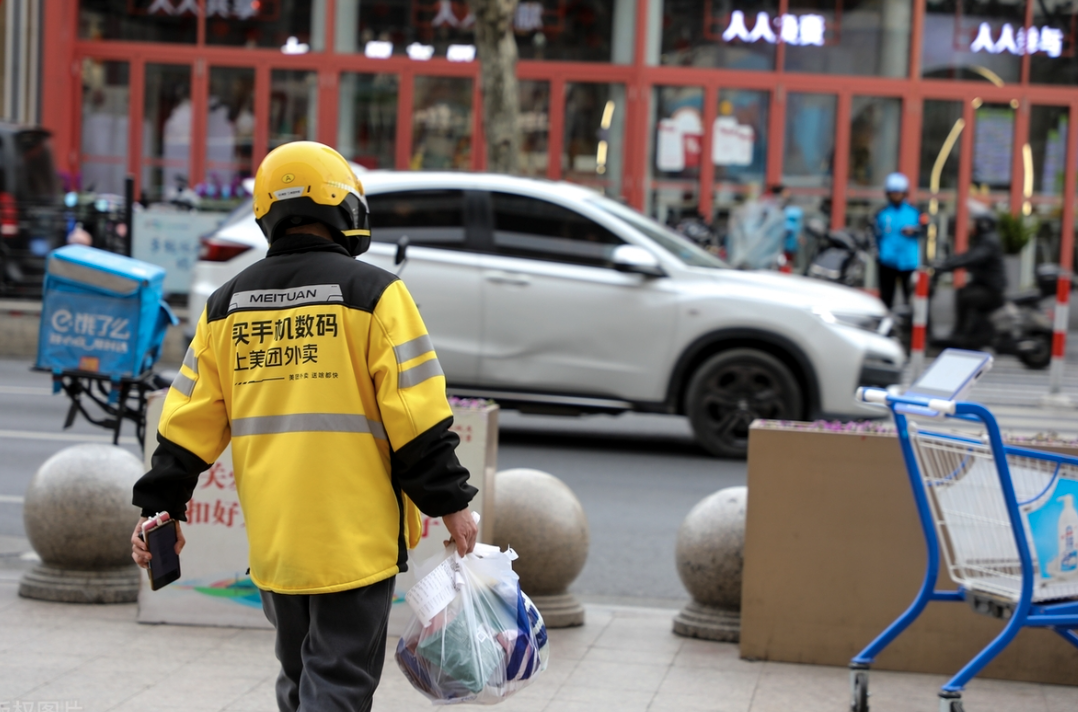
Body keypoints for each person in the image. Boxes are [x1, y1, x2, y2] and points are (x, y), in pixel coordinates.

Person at [130, 141, 479, 712]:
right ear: (344, 207)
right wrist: (453, 504)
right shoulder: (376, 295)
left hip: (277, 544)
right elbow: (417, 418)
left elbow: (186, 426)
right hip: (353, 541)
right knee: (337, 686)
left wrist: (159, 509)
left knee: (300, 681)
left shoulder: (225, 306)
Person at [933, 200, 1007, 349]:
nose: (971, 224)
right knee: (963, 291)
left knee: (965, 297)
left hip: (991, 290)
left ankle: (961, 335)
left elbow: (973, 258)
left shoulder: (988, 241)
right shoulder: (984, 239)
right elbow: (967, 256)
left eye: (974, 222)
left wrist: (947, 265)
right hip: (985, 286)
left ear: (982, 224)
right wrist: (948, 262)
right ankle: (964, 333)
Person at [874, 172, 923, 309]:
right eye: (893, 192)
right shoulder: (881, 213)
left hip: (909, 262)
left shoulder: (915, 211)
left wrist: (914, 231)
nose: (896, 195)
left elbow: (924, 228)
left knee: (911, 299)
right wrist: (877, 255)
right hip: (887, 262)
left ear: (905, 193)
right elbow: (874, 234)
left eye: (899, 192)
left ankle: (909, 321)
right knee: (886, 299)